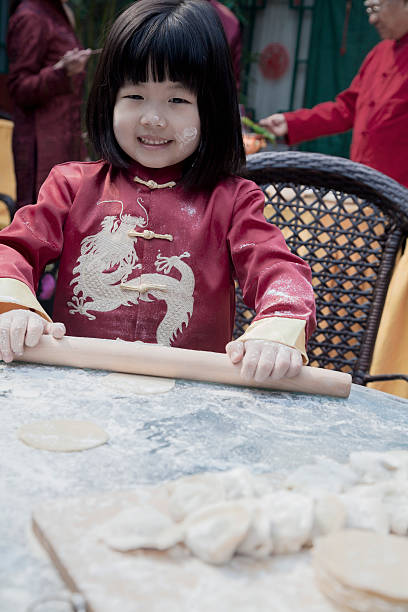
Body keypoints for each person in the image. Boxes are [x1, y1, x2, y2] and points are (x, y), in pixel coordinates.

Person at [0, 0, 316, 384]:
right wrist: (14, 308)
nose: (153, 118)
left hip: (192, 397)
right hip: (81, 389)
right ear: (108, 99)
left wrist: (276, 330)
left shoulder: (233, 201)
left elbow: (277, 268)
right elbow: (13, 249)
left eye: (177, 100)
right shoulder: (72, 186)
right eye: (135, 96)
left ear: (210, 109)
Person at [259, 0, 408, 188]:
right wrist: (291, 123)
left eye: (375, 9)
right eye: (369, 11)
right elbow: (346, 109)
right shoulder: (379, 53)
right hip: (367, 184)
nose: (372, 19)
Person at [7, 0, 91, 210]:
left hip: (65, 141)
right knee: (42, 221)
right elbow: (19, 88)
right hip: (41, 147)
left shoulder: (59, 11)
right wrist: (60, 73)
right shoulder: (31, 16)